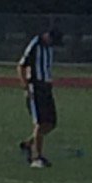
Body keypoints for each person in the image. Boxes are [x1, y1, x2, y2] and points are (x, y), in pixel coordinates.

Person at [17, 28, 63, 167]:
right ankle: (37, 157)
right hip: (36, 87)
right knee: (40, 122)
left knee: (51, 123)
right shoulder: (35, 44)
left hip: (47, 88)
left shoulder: (49, 48)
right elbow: (21, 66)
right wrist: (25, 86)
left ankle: (29, 144)